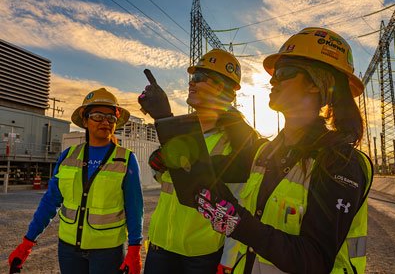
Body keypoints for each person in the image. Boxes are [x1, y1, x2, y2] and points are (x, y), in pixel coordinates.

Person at [196, 27, 374, 273]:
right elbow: (216, 171)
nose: (272, 80)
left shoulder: (341, 162)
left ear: (316, 83)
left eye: (284, 72)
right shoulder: (266, 153)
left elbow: (314, 260)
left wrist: (238, 223)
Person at [138, 49, 260, 274]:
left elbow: (242, 207)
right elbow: (165, 180)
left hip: (202, 256)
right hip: (160, 246)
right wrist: (158, 160)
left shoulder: (237, 143)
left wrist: (228, 260)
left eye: (199, 79)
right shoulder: (181, 134)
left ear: (222, 89)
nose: (191, 84)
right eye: (192, 78)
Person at [8, 88, 144, 274]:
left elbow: (134, 207)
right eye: (97, 116)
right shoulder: (68, 156)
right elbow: (50, 202)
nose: (105, 121)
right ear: (85, 119)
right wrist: (27, 242)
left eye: (110, 117)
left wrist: (135, 248)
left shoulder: (126, 159)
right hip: (68, 250)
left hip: (107, 252)